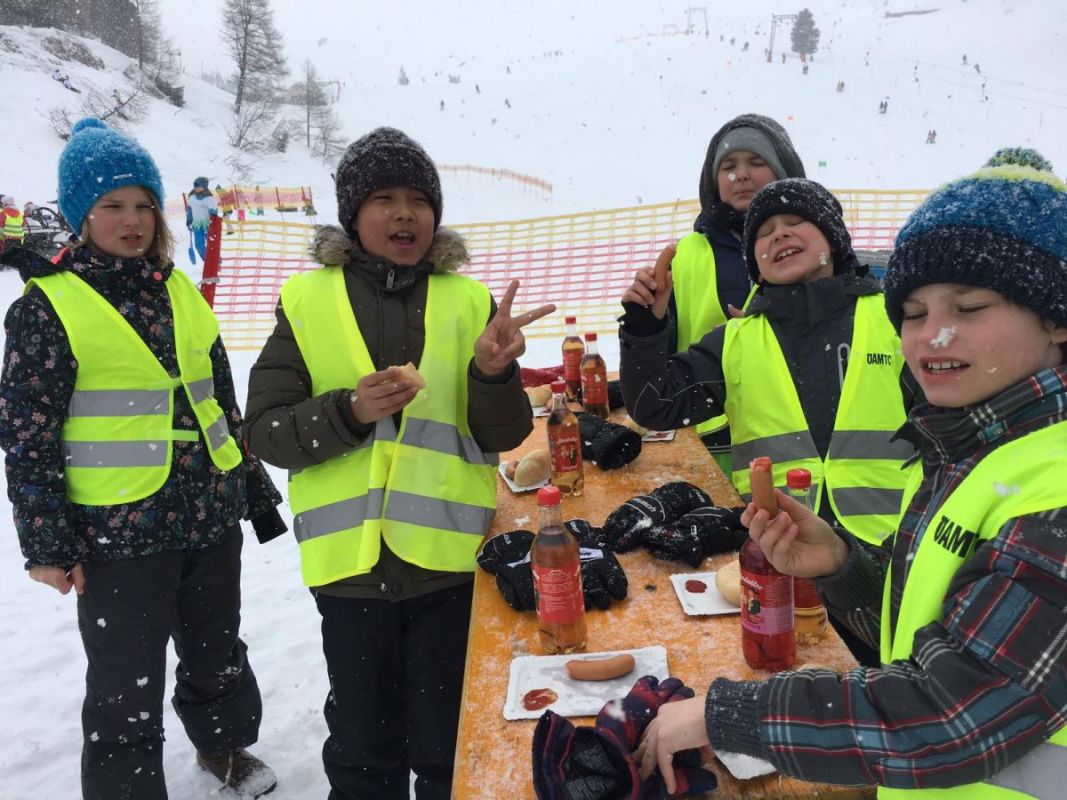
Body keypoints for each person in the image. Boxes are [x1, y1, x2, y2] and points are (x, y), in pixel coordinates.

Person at [633, 164, 1067, 797]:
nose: (933, 336)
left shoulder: (1052, 495)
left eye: (969, 307)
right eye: (913, 313)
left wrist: (728, 716)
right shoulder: (972, 450)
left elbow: (951, 715)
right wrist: (843, 565)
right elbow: (926, 628)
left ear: (1057, 318)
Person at [243, 126, 552, 799]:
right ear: (353, 214)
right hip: (349, 574)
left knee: (449, 746)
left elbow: (502, 433)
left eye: (419, 200)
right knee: (363, 750)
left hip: (448, 565)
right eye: (384, 199)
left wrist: (493, 373)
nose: (404, 214)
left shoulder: (468, 301)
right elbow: (264, 432)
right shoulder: (308, 300)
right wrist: (349, 411)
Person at [0, 118, 286, 799]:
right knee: (124, 683)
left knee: (217, 653)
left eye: (143, 205)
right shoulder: (47, 308)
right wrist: (46, 545)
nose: (131, 221)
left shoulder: (178, 288)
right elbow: (27, 437)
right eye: (112, 206)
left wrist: (250, 491)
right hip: (116, 535)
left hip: (207, 518)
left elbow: (217, 401)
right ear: (81, 215)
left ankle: (223, 748)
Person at [619, 178, 921, 665]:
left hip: (888, 565)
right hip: (778, 564)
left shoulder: (895, 320)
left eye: (796, 222)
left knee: (885, 686)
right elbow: (655, 405)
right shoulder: (736, 341)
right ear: (754, 262)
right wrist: (644, 327)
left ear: (833, 239)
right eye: (763, 232)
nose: (779, 234)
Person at [635, 113, 806, 477]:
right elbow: (659, 370)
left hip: (796, 440)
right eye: (728, 166)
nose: (740, 175)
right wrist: (646, 322)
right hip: (707, 441)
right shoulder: (685, 256)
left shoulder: (811, 248)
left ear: (783, 170)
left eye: (756, 162)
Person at [185, 176, 218, 261]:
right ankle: (207, 260)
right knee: (198, 245)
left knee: (212, 245)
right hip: (196, 225)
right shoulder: (191, 198)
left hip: (208, 226)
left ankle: (215, 260)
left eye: (198, 185)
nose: (195, 187)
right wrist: (189, 222)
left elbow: (214, 213)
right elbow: (189, 211)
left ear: (204, 186)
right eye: (195, 185)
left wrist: (213, 225)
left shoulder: (210, 199)